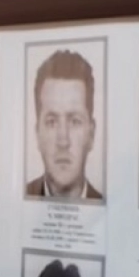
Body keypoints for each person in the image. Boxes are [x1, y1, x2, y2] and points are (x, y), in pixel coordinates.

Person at [27, 50, 102, 199]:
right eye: (52, 122)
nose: (63, 141)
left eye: (75, 121)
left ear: (91, 135)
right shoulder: (15, 202)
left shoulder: (113, 209)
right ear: (37, 134)